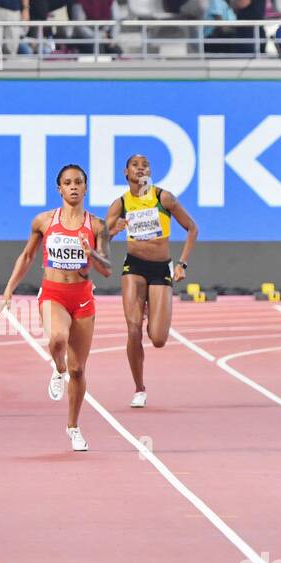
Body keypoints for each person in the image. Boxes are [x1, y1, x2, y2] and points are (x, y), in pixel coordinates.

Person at [0, 164, 112, 452]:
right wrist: (8, 290)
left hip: (83, 297)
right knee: (57, 339)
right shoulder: (44, 222)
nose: (73, 187)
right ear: (59, 189)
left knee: (80, 370)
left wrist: (91, 252)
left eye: (78, 183)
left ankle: (73, 427)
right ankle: (57, 368)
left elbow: (107, 269)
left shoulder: (97, 226)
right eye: (68, 183)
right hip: (53, 293)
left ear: (86, 188)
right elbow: (26, 257)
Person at [104, 154, 197, 408]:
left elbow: (192, 228)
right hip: (134, 267)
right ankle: (139, 388)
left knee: (157, 339)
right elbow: (101, 241)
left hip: (160, 269)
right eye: (135, 165)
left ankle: (152, 311)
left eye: (146, 164)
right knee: (132, 329)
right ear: (126, 172)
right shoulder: (120, 204)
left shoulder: (163, 198)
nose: (141, 168)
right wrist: (113, 230)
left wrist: (182, 264)